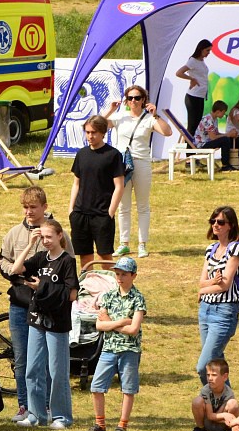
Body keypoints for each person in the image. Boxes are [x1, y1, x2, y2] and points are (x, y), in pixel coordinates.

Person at [10, 217, 78, 429]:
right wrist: (31, 244)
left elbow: (72, 294)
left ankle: (61, 417)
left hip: (57, 322)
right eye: (43, 237)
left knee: (57, 372)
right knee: (33, 369)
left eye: (50, 236)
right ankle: (36, 414)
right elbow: (15, 269)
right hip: (36, 319)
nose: (46, 241)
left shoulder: (67, 261)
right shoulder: (40, 258)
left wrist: (42, 287)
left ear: (60, 236)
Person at [0, 186, 57, 424]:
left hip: (47, 304)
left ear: (44, 207)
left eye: (33, 207)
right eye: (25, 207)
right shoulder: (14, 233)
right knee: (21, 357)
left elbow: (66, 262)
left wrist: (44, 282)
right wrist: (19, 279)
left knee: (44, 359)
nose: (29, 212)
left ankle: (46, 405)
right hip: (20, 302)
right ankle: (24, 405)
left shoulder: (55, 231)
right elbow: (3, 261)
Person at [103, 86, 171, 259]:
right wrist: (110, 109)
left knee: (142, 205)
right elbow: (98, 126)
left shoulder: (148, 119)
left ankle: (142, 244)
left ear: (143, 100)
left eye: (137, 97)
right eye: (131, 98)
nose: (134, 101)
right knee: (122, 206)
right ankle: (124, 243)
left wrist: (155, 114)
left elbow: (167, 132)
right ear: (126, 100)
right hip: (122, 164)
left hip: (141, 163)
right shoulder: (119, 117)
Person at [82, 256, 146, 431]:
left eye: (124, 274)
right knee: (96, 386)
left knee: (128, 388)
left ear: (133, 275)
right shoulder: (108, 296)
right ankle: (99, 423)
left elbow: (134, 330)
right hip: (109, 348)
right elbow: (99, 325)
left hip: (129, 350)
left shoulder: (138, 298)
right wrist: (121, 322)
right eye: (117, 273)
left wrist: (110, 323)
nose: (119, 277)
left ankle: (122, 425)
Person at [68, 115, 124, 271]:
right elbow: (76, 183)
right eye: (87, 132)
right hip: (80, 213)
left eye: (93, 132)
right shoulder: (82, 154)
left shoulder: (113, 155)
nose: (90, 136)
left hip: (102, 214)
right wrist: (71, 210)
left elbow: (119, 186)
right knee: (84, 256)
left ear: (103, 133)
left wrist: (110, 213)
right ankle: (87, 288)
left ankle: (111, 288)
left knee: (105, 256)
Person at [195, 206, 239, 384]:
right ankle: (228, 405)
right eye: (213, 221)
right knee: (216, 363)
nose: (216, 225)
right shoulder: (211, 249)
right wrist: (210, 284)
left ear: (231, 225)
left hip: (224, 312)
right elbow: (201, 281)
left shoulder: (236, 249)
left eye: (221, 222)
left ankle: (218, 402)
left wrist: (204, 289)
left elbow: (225, 285)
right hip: (205, 310)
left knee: (204, 366)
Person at [189, 359, 238, 431]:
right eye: (208, 375)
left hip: (223, 424)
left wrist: (224, 418)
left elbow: (215, 416)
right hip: (208, 423)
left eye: (214, 375)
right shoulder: (206, 390)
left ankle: (231, 430)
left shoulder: (228, 392)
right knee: (197, 401)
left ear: (225, 377)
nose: (210, 378)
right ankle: (200, 429)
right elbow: (210, 416)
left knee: (233, 404)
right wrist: (224, 415)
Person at [175, 39, 212, 138]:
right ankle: (189, 151)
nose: (209, 53)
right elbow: (179, 73)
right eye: (207, 50)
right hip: (193, 96)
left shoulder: (202, 61)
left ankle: (193, 148)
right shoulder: (193, 61)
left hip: (200, 96)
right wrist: (191, 78)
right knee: (192, 125)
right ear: (201, 49)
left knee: (197, 124)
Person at [194, 100, 233, 167]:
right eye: (223, 113)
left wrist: (228, 134)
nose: (223, 115)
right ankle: (225, 165)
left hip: (207, 142)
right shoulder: (208, 119)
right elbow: (213, 137)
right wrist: (227, 135)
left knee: (226, 139)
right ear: (218, 112)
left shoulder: (214, 119)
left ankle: (228, 163)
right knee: (225, 140)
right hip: (202, 145)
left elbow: (217, 134)